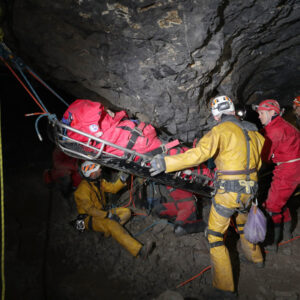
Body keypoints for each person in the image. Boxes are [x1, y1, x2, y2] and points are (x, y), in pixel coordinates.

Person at [150, 95, 265, 298]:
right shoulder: (255, 133)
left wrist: (166, 163)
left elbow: (198, 154)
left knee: (214, 237)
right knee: (243, 226)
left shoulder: (220, 130)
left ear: (215, 115)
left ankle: (225, 288)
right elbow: (259, 164)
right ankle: (256, 259)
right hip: (250, 191)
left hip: (229, 192)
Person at [73, 161, 155, 258]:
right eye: (98, 169)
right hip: (89, 218)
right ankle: (140, 251)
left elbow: (113, 188)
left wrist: (123, 178)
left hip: (102, 212)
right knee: (112, 224)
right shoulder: (82, 190)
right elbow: (90, 210)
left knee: (127, 212)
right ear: (92, 174)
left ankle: (107, 232)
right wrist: (108, 216)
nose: (100, 170)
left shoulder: (99, 182)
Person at [256, 99, 300, 252]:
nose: (259, 117)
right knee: (281, 202)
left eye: (261, 113)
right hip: (293, 168)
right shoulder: (283, 125)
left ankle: (273, 242)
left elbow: (265, 157)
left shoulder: (275, 131)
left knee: (272, 206)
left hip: (288, 170)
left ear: (271, 113)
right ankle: (287, 233)